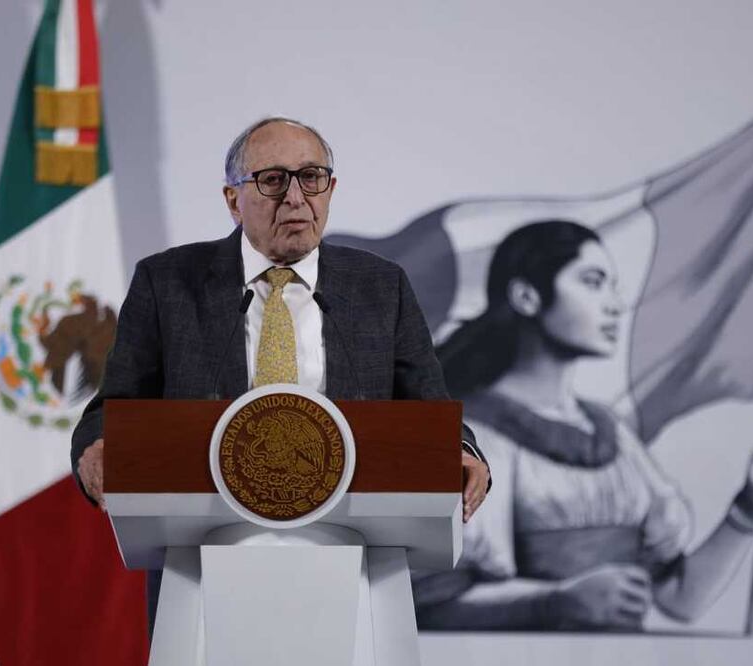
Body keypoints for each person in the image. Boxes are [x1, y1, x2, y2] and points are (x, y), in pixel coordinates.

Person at [70, 117, 491, 624]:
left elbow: (430, 410)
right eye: (272, 180)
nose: (295, 197)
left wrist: (463, 452)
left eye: (311, 177)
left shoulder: (381, 286)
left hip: (352, 559)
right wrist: (95, 448)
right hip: (205, 561)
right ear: (233, 199)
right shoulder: (169, 282)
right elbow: (113, 409)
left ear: (330, 189)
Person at [413, 220, 753, 631]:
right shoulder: (470, 433)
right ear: (527, 296)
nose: (615, 304)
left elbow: (679, 599)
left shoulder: (611, 434)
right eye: (593, 282)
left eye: (613, 286)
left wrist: (750, 504)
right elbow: (432, 604)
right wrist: (556, 602)